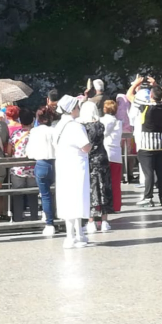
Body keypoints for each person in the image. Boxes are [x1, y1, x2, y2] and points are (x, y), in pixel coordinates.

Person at [53, 96, 93, 249]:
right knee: (77, 199)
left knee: (67, 199)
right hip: (76, 165)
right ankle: (72, 236)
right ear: (72, 109)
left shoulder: (58, 125)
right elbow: (85, 147)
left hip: (63, 165)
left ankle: (77, 233)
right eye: (77, 107)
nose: (79, 109)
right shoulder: (75, 126)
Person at [127, 77, 162, 206]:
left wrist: (136, 83)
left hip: (146, 143)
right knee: (161, 171)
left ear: (150, 95)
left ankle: (148, 197)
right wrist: (156, 84)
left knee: (148, 172)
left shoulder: (145, 105)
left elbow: (129, 95)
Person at [80, 102, 113, 234]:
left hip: (89, 159)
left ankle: (91, 222)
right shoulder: (100, 125)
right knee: (103, 188)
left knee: (90, 189)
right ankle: (104, 221)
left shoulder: (83, 127)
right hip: (102, 157)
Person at [26, 106, 59, 236]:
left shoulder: (34, 132)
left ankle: (49, 224)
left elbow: (29, 152)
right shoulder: (54, 130)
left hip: (41, 164)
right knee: (59, 193)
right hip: (56, 163)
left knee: (45, 195)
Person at [7, 107, 38, 222]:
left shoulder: (16, 134)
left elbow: (9, 151)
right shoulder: (35, 134)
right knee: (33, 195)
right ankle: (34, 217)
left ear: (20, 120)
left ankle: (18, 218)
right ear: (32, 120)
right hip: (33, 168)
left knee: (18, 195)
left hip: (18, 168)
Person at [99, 100, 123, 213]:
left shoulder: (102, 121)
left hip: (106, 152)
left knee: (103, 182)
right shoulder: (119, 122)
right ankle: (116, 205)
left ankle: (104, 206)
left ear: (105, 109)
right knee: (116, 182)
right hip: (117, 154)